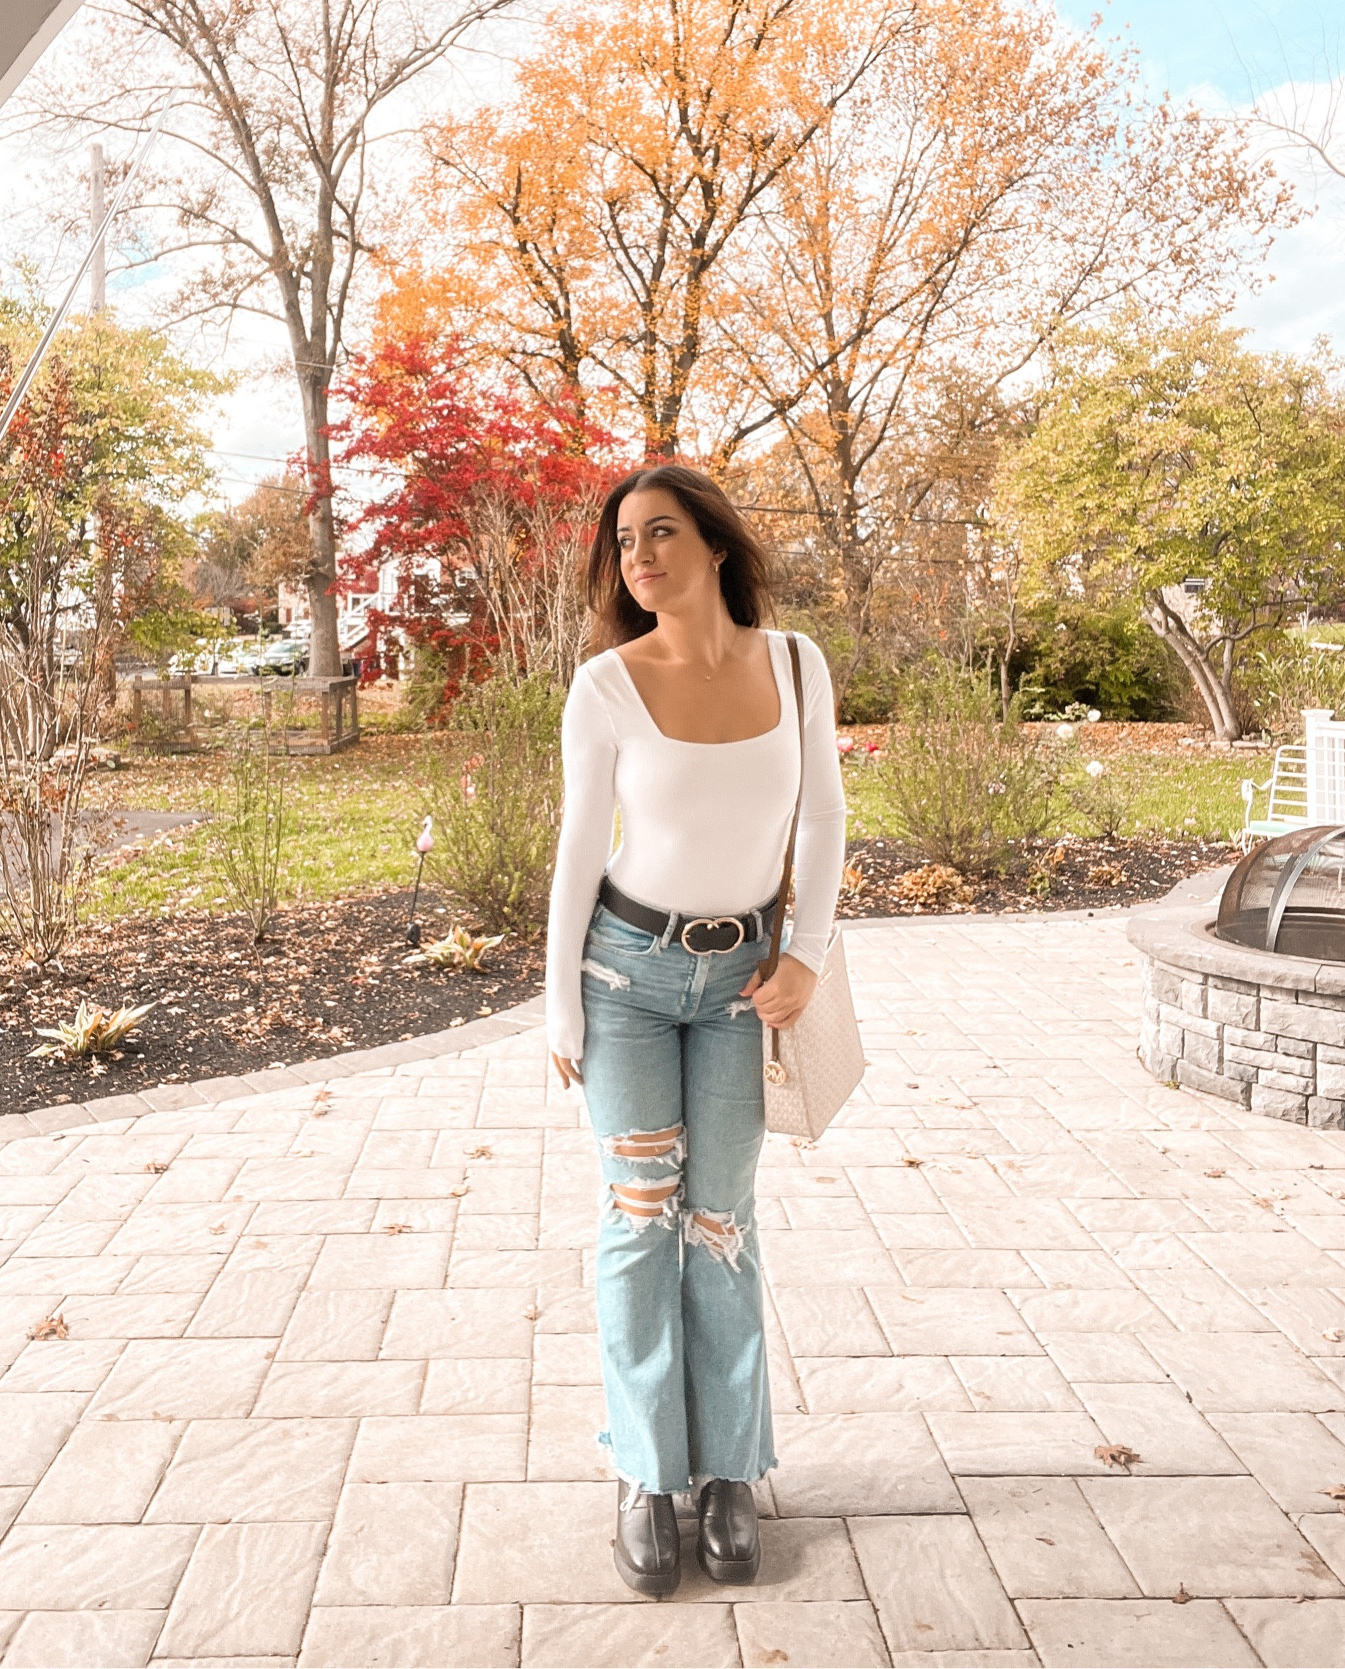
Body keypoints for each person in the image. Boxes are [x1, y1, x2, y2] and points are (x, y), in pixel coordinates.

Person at [545, 464, 846, 1596]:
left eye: (661, 533)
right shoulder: (606, 686)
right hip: (623, 975)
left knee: (720, 1221)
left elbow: (822, 815)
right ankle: (643, 1470)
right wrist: (557, 997)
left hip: (744, 980)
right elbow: (582, 846)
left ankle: (726, 1472)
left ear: (716, 544)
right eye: (624, 544)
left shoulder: (798, 664)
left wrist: (805, 953)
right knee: (638, 1220)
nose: (640, 558)